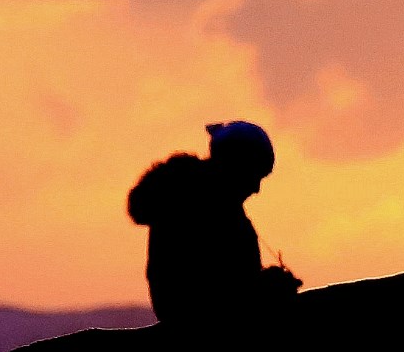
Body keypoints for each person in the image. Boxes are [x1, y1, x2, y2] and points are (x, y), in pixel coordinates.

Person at [127, 121, 301, 327]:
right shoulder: (198, 208)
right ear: (235, 165)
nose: (256, 189)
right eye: (254, 175)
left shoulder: (199, 201)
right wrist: (269, 287)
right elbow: (211, 294)